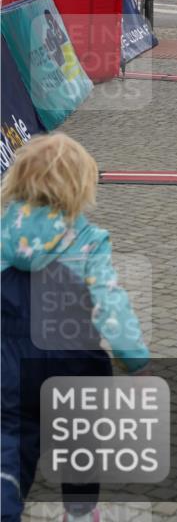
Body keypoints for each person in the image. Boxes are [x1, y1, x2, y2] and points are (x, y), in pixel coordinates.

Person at [1, 133, 149, 522]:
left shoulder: (2, 235)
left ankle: (5, 497)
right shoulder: (87, 240)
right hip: (76, 364)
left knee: (10, 439)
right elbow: (110, 302)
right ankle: (81, 512)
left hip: (11, 364)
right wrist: (131, 354)